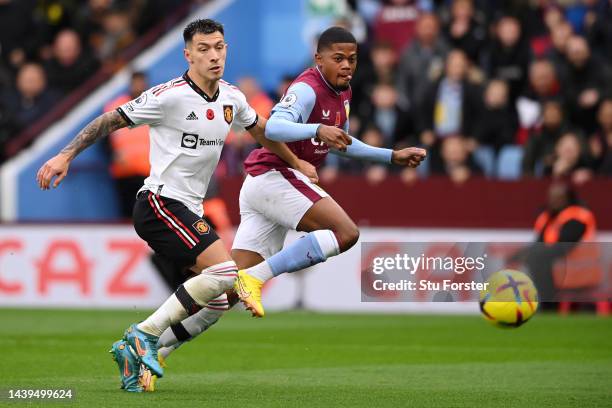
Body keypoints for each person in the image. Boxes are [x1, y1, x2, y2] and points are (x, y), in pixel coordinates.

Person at [36, 18, 323, 393]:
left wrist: (296, 161)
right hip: (159, 203)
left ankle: (137, 362)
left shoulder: (232, 98)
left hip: (189, 210)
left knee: (221, 299)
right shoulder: (168, 96)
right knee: (224, 272)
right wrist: (64, 155)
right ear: (188, 55)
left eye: (219, 46)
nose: (214, 55)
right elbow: (111, 119)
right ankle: (143, 334)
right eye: (204, 49)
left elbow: (262, 132)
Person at [142, 26, 426, 391]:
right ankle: (256, 278)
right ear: (318, 59)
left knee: (223, 294)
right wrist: (316, 129)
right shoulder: (307, 88)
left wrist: (389, 156)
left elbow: (339, 141)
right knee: (346, 233)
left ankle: (154, 349)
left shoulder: (343, 92)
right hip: (273, 176)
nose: (346, 66)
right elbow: (274, 125)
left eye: (351, 59)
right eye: (337, 59)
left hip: (264, 188)